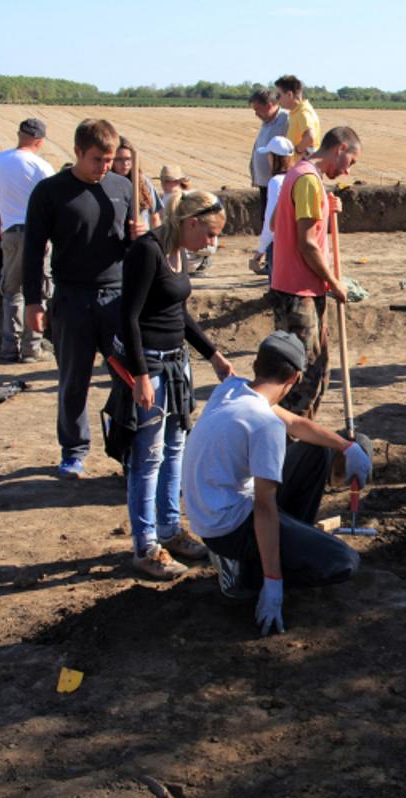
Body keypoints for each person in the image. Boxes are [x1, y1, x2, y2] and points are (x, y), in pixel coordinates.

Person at [182, 331, 372, 635]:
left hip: (210, 512)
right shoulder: (263, 425)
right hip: (227, 527)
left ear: (257, 365)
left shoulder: (233, 389)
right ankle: (252, 574)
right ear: (296, 377)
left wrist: (347, 447)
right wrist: (273, 583)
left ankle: (281, 549)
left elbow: (297, 424)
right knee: (343, 562)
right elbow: (265, 507)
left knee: (316, 451)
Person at [115, 190, 236, 579]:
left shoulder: (179, 252)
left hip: (176, 365)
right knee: (147, 457)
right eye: (210, 234)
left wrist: (212, 355)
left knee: (174, 449)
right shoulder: (145, 252)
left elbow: (176, 313)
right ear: (191, 223)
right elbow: (129, 317)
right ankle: (145, 545)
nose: (212, 243)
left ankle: (170, 530)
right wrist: (138, 376)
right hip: (149, 366)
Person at [23, 118, 143, 479]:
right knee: (74, 380)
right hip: (72, 298)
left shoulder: (123, 188)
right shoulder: (50, 192)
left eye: (109, 160)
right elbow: (32, 250)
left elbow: (130, 247)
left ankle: (126, 451)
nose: (104, 168)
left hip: (116, 299)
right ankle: (73, 451)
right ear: (77, 152)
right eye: (97, 160)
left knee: (127, 379)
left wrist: (139, 236)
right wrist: (33, 300)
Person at [269, 126, 361, 417]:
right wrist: (334, 282)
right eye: (351, 162)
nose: (348, 172)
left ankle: (304, 442)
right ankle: (291, 446)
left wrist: (323, 207)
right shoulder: (308, 180)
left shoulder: (302, 175)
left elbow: (275, 221)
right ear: (341, 148)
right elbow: (307, 244)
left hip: (303, 290)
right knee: (301, 379)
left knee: (319, 371)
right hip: (299, 294)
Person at [0, 117, 55, 362]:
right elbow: (51, 207)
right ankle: (32, 347)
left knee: (12, 291)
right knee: (40, 291)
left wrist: (0, 227)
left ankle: (8, 346)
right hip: (38, 234)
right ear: (39, 140)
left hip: (11, 232)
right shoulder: (42, 168)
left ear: (19, 135)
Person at [250, 136, 295, 285]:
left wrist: (261, 249)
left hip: (279, 244)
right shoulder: (297, 178)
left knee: (279, 287)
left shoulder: (276, 182)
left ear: (274, 157)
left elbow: (271, 220)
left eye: (269, 155)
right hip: (296, 240)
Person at [249, 88, 290, 211]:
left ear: (269, 105)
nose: (256, 114)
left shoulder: (286, 120)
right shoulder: (266, 122)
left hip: (278, 184)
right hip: (264, 183)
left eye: (257, 109)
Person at [111, 137, 162, 230]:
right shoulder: (107, 183)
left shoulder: (143, 182)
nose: (125, 163)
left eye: (128, 159)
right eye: (119, 159)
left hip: (140, 237)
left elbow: (154, 217)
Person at [275, 74, 320, 157]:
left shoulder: (303, 112)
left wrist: (295, 151)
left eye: (278, 96)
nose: (277, 99)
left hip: (301, 167)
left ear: (289, 95)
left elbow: (310, 137)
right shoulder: (296, 112)